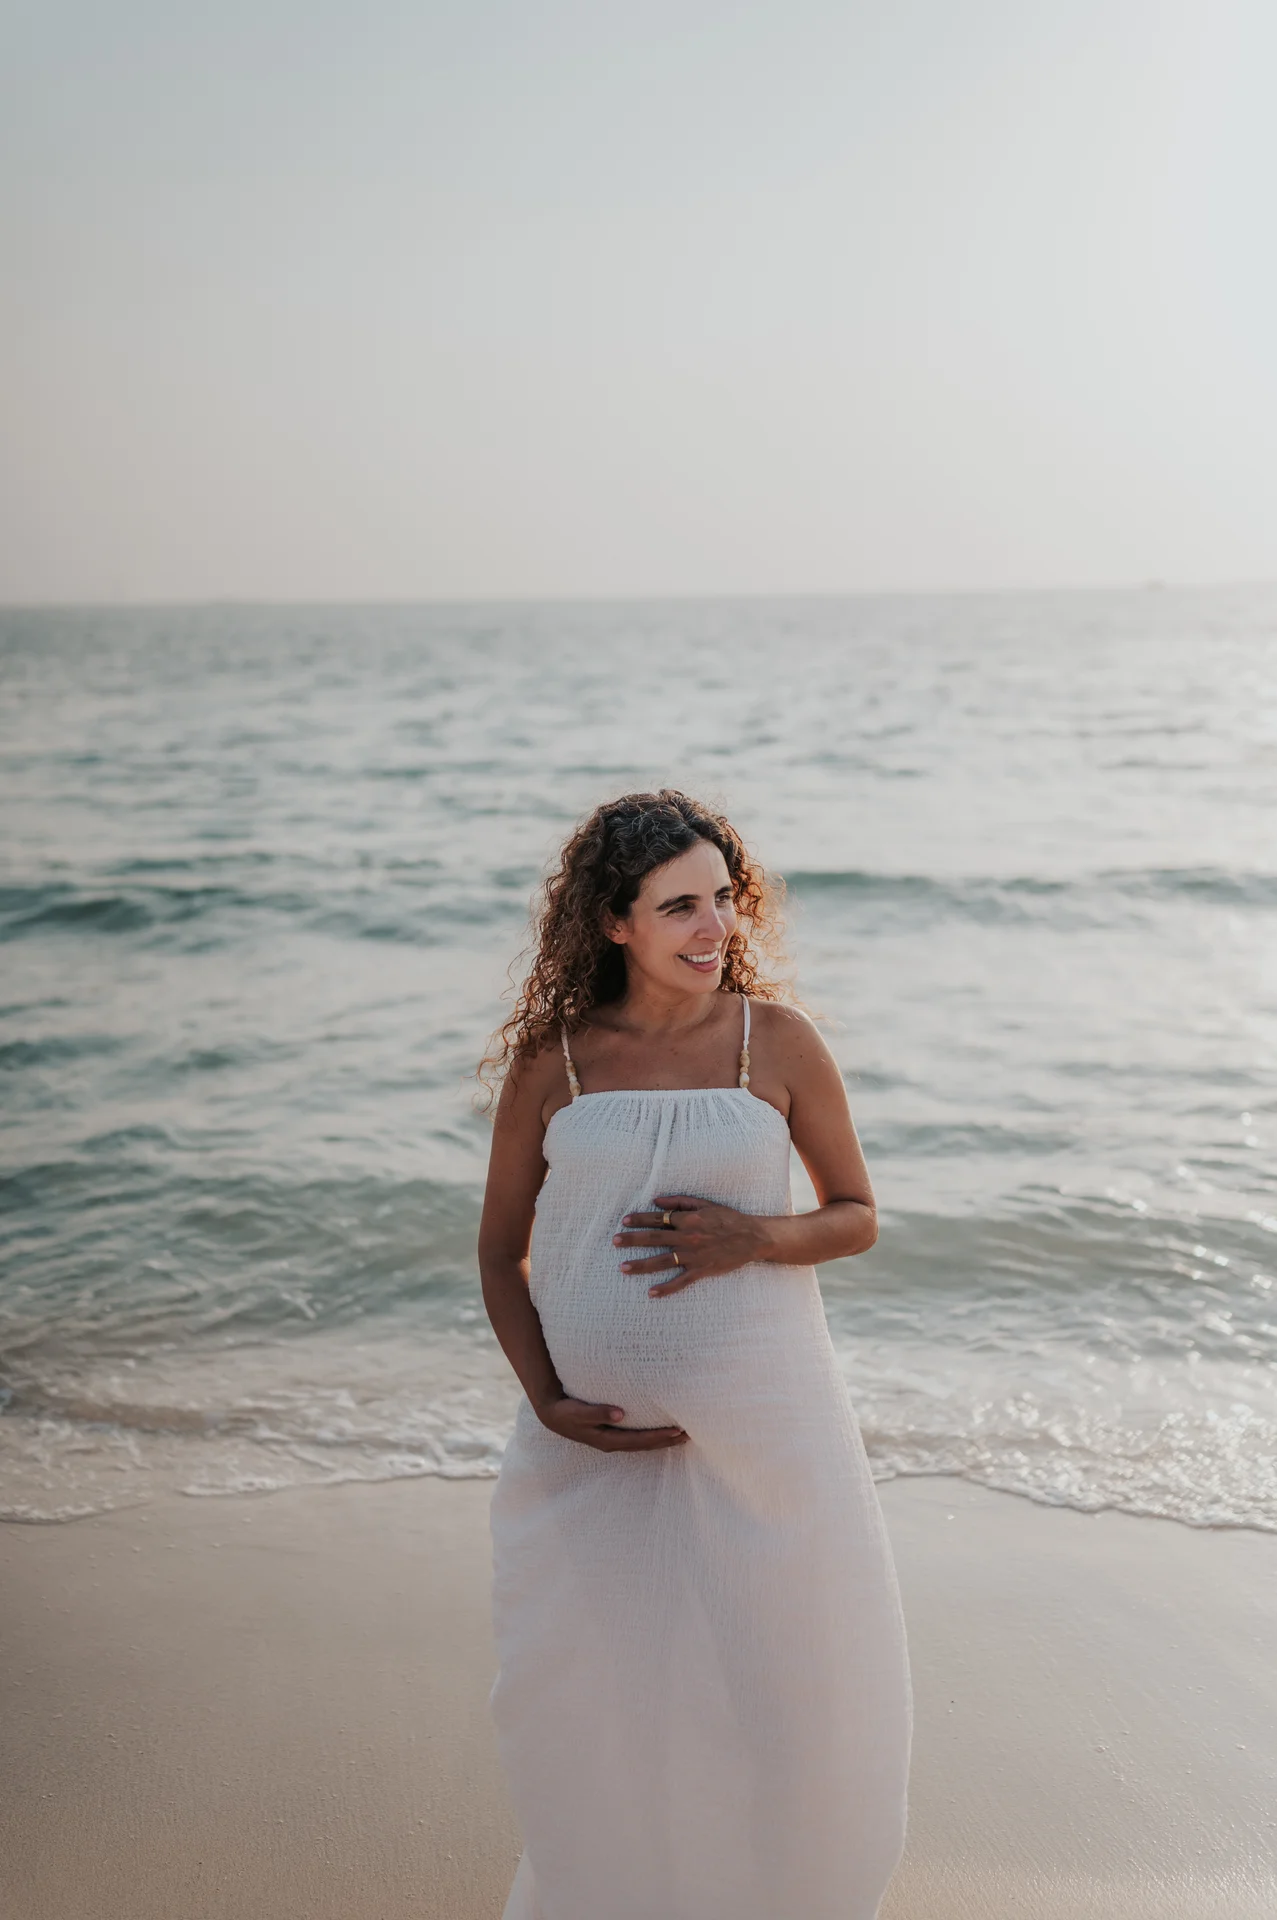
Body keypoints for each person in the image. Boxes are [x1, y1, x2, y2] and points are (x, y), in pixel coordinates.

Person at [478, 789, 911, 1920]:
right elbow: (498, 1253)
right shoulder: (556, 1062)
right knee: (586, 1700)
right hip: (590, 1450)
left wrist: (753, 1237)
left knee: (789, 1697)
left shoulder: (777, 1042)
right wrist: (547, 1399)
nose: (714, 927)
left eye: (723, 898)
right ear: (612, 922)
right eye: (678, 906)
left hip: (768, 1434)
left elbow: (856, 1214)